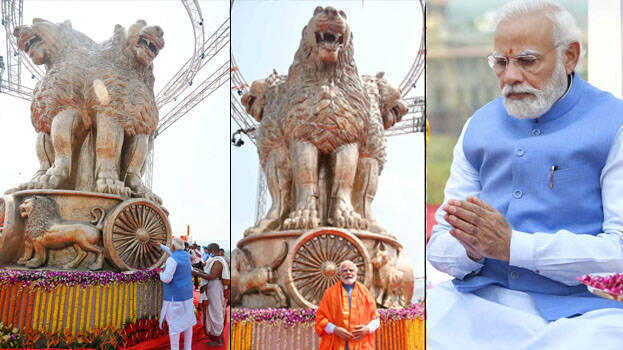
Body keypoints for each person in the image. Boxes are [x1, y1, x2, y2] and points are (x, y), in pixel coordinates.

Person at [426, 1, 623, 349]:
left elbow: (619, 250)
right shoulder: (478, 126)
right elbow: (441, 243)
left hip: (581, 317)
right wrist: (471, 250)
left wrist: (513, 247)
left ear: (570, 56)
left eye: (527, 61)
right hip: (475, 305)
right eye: (500, 63)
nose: (511, 76)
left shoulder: (614, 123)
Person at [315, 260, 379, 350]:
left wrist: (367, 329)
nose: (348, 273)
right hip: (336, 343)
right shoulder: (329, 293)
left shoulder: (365, 292)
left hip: (361, 344)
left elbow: (375, 318)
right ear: (340, 274)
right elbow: (320, 318)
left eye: (351, 270)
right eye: (345, 270)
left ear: (356, 273)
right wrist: (335, 329)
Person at [158, 237, 196, 350]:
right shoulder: (186, 256)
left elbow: (167, 279)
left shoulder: (172, 259)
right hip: (188, 295)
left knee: (174, 326)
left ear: (173, 246)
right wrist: (159, 245)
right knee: (188, 323)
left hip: (175, 298)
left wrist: (160, 274)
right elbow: (170, 252)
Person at [192, 243, 230, 347]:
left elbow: (212, 276)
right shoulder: (213, 260)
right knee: (213, 312)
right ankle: (218, 338)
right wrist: (198, 270)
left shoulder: (218, 261)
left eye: (208, 250)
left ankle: (217, 340)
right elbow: (207, 273)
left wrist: (196, 273)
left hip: (215, 290)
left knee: (215, 313)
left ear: (213, 251)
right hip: (212, 289)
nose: (207, 252)